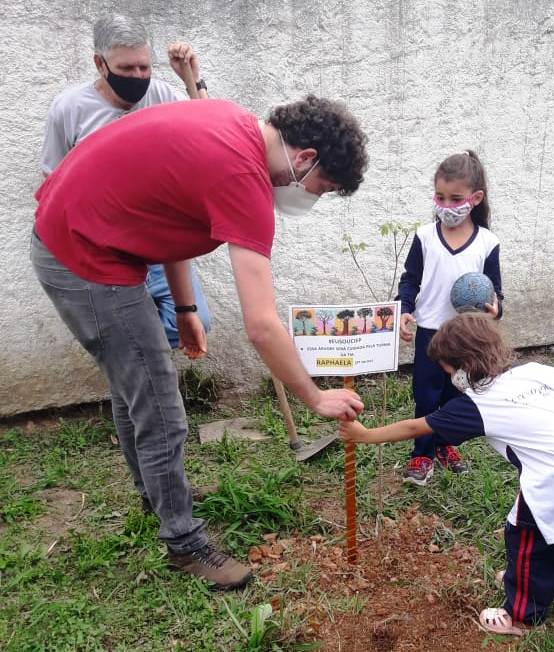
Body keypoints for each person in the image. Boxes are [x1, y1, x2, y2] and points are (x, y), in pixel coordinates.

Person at [31, 93, 368, 589]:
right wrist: (315, 397)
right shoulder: (244, 179)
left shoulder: (233, 124)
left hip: (91, 236)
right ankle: (184, 542)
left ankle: (157, 497)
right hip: (79, 253)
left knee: (136, 382)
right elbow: (261, 324)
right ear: (304, 158)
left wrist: (186, 309)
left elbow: (168, 220)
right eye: (324, 186)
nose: (315, 197)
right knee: (157, 395)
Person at [340, 313, 554, 636]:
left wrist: (365, 434)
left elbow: (418, 426)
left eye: (450, 370)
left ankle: (521, 614)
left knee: (523, 534)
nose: (450, 377)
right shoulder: (536, 371)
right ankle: (524, 578)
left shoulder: (479, 403)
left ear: (465, 365)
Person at [40, 14, 211, 348]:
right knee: (124, 334)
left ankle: (135, 362)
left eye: (144, 67)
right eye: (127, 69)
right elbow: (54, 182)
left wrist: (194, 79)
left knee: (194, 321)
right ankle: (135, 368)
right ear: (100, 64)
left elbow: (212, 132)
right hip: (106, 251)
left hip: (159, 248)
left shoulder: (162, 96)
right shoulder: (70, 109)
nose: (137, 77)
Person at [396, 150, 503, 485]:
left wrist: (496, 308)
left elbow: (496, 291)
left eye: (455, 198)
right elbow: (410, 278)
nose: (446, 205)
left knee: (457, 395)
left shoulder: (487, 242)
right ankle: (422, 453)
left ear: (475, 198)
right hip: (430, 331)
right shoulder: (425, 236)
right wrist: (405, 309)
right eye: (440, 197)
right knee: (426, 396)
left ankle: (445, 445)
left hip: (466, 337)